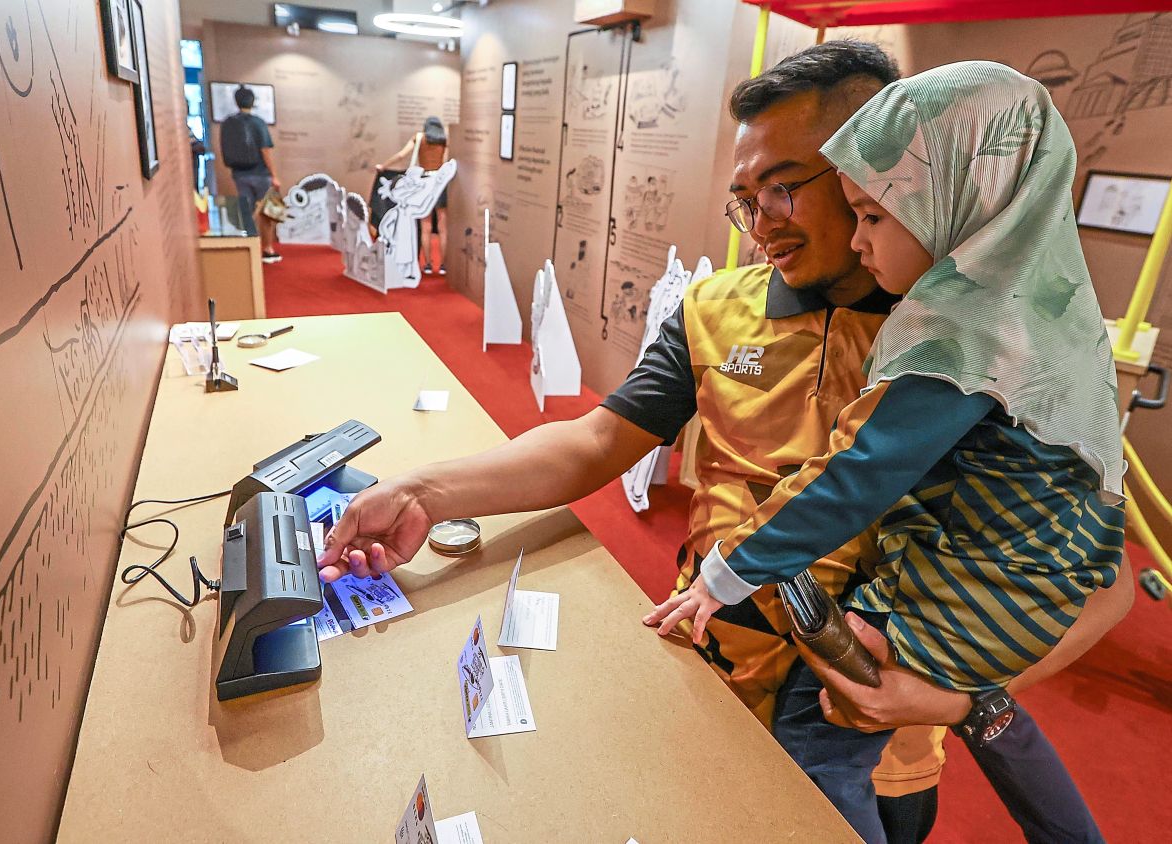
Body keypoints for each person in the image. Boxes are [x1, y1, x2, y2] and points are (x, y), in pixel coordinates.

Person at [317, 43, 1133, 842]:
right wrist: (422, 492)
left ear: (885, 170)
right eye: (746, 197)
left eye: (786, 187)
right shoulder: (715, 307)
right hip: (704, 670)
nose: (762, 223)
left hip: (874, 742)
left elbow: (1101, 583)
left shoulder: (998, 346)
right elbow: (598, 439)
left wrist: (958, 701)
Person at [646, 61, 1126, 841]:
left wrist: (726, 573)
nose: (764, 222)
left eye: (866, 210)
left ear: (945, 198)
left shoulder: (958, 337)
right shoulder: (1046, 313)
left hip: (948, 628)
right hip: (955, 592)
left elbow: (858, 472)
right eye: (747, 199)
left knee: (818, 735)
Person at [376, 117, 450, 275]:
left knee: (426, 226)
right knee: (443, 227)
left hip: (423, 183)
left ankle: (428, 264)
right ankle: (444, 265)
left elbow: (402, 155)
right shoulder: (444, 140)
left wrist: (384, 166)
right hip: (439, 183)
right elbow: (447, 161)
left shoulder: (419, 138)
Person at [220, 86, 281, 262]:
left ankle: (249, 247)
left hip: (239, 173)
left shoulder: (229, 123)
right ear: (252, 101)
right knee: (266, 212)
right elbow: (265, 150)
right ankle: (267, 248)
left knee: (246, 211)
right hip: (260, 173)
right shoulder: (258, 123)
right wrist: (274, 175)